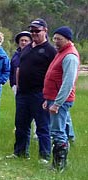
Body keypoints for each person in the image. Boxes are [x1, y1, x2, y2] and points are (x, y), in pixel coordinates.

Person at [8, 18, 56, 162]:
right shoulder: (27, 48)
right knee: (21, 125)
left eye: (37, 31)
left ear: (45, 31)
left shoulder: (50, 50)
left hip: (39, 94)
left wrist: (49, 96)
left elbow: (54, 73)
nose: (34, 33)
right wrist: (17, 86)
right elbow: (19, 67)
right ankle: (20, 152)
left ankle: (44, 156)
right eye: (32, 31)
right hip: (23, 93)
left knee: (42, 127)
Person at [42, 26, 80, 171]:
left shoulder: (70, 56)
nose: (56, 42)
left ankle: (59, 165)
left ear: (67, 39)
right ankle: (57, 163)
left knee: (58, 132)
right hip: (53, 98)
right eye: (55, 38)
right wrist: (48, 99)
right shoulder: (61, 53)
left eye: (59, 39)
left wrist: (57, 103)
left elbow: (68, 83)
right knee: (57, 130)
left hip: (61, 101)